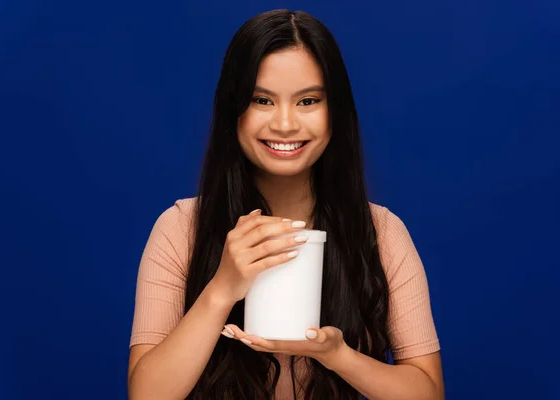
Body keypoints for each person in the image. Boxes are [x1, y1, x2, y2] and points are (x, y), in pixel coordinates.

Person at [127, 9, 444, 400]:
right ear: (234, 110)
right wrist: (222, 288)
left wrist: (337, 356)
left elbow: (428, 392)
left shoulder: (380, 233)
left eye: (308, 101)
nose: (285, 124)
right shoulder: (180, 229)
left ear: (336, 113)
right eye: (262, 100)